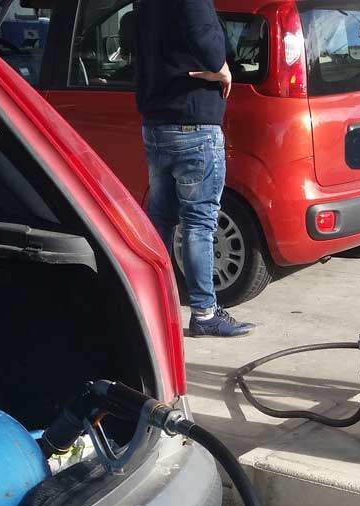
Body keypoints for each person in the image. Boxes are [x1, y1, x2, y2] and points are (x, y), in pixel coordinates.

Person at [133, 0, 255, 337]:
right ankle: (204, 313)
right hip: (193, 124)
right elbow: (208, 43)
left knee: (160, 218)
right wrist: (223, 68)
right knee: (199, 222)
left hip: (156, 124)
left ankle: (149, 304)